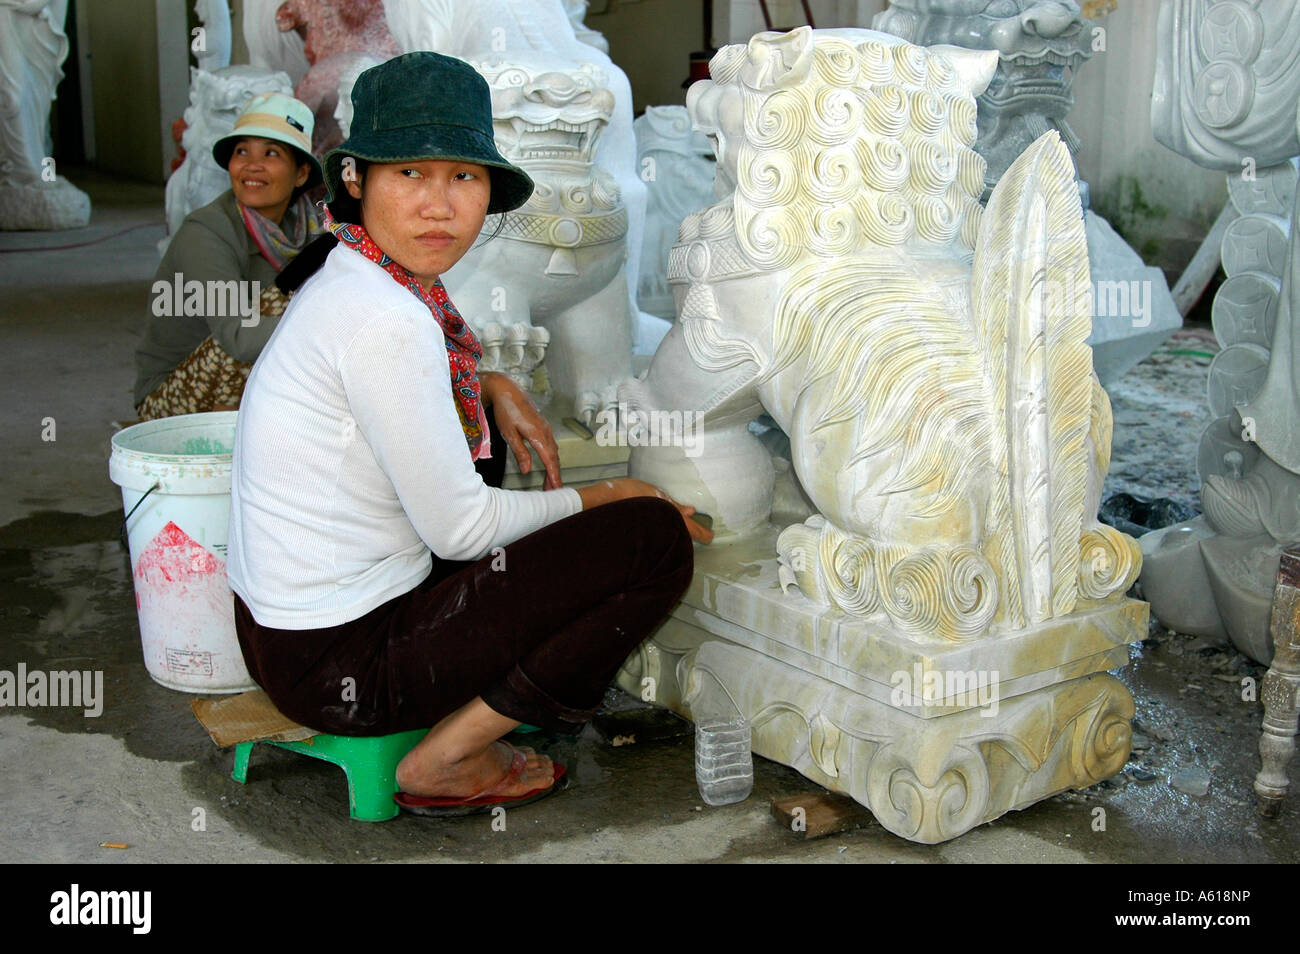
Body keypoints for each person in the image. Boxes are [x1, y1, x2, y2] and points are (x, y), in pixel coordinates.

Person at [225, 51, 711, 816]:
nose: (440, 206)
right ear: (357, 180)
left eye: (464, 177)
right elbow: (462, 530)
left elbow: (400, 398)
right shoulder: (386, 318)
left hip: (277, 636)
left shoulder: (353, 270)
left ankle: (468, 712)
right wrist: (616, 493)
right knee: (650, 539)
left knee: (495, 453)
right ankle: (449, 759)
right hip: (342, 667)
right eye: (409, 175)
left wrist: (486, 381)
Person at [133, 91, 326, 420]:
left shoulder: (308, 228)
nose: (253, 165)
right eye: (242, 152)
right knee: (292, 308)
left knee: (329, 269)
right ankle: (235, 434)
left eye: (271, 153)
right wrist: (337, 327)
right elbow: (238, 339)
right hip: (173, 395)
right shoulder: (207, 231)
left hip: (247, 375)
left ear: (301, 173)